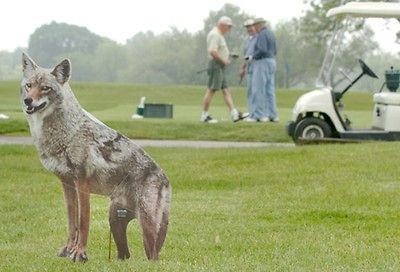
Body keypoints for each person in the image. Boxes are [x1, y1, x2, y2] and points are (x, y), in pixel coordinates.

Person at [200, 16, 248, 123]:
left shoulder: (219, 35)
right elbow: (213, 51)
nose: (229, 29)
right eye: (228, 26)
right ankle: (204, 115)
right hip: (216, 65)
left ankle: (234, 114)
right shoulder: (215, 34)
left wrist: (229, 55)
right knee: (211, 89)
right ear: (222, 25)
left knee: (226, 90)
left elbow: (219, 50)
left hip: (219, 65)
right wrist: (224, 61)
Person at [248, 18, 278, 122]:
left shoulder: (262, 34)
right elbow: (275, 50)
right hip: (272, 61)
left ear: (258, 25)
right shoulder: (270, 33)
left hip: (262, 62)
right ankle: (272, 115)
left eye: (255, 25)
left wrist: (252, 57)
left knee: (258, 89)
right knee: (269, 90)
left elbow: (262, 49)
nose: (254, 28)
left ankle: (259, 115)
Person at [240, 19, 258, 122]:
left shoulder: (259, 39)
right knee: (250, 92)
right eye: (247, 27)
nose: (249, 29)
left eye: (251, 27)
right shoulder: (248, 41)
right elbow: (245, 55)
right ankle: (251, 113)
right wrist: (242, 68)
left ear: (255, 27)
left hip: (257, 68)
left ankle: (256, 114)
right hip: (249, 69)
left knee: (256, 92)